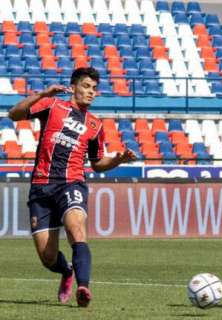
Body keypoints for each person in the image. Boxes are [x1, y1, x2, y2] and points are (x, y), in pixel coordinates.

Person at [8, 67, 136, 307]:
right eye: (87, 86)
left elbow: (97, 164)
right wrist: (43, 93)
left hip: (72, 183)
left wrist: (118, 159)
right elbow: (14, 114)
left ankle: (83, 287)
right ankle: (67, 271)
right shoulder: (53, 105)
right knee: (47, 257)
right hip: (41, 187)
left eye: (95, 89)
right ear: (74, 86)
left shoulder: (95, 125)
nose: (91, 92)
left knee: (77, 230)